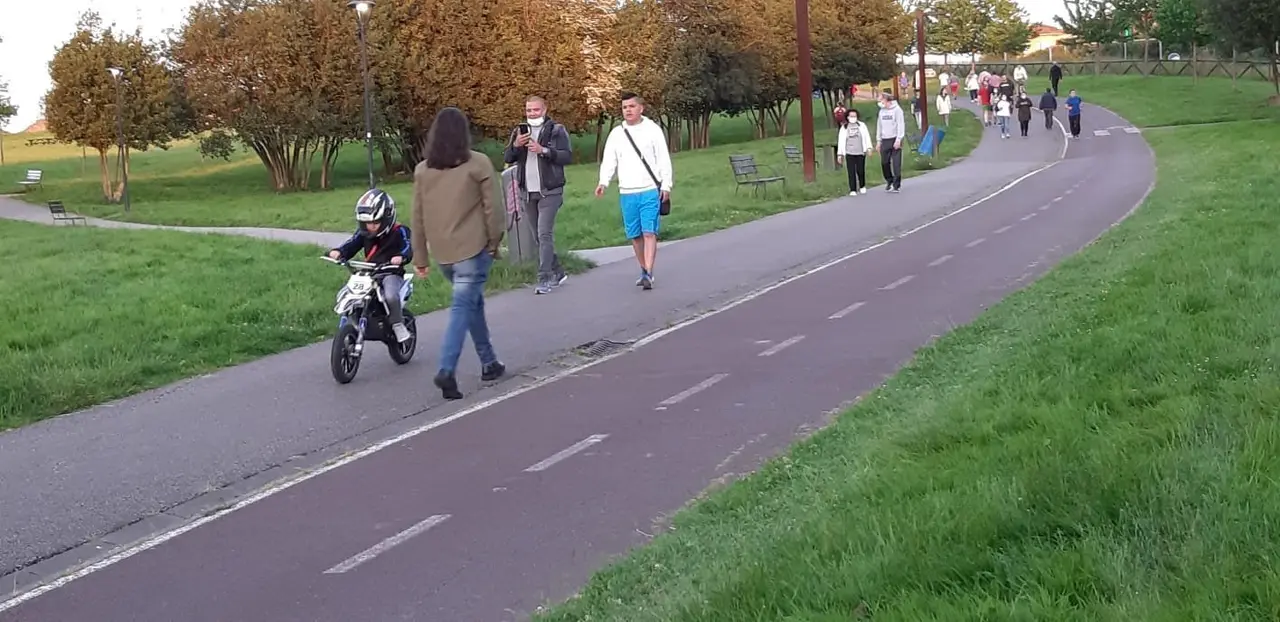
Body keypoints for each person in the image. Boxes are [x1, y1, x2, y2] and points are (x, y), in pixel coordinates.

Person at [411, 107, 506, 400]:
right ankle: (446, 369)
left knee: (471, 304)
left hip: (443, 254)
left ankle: (489, 363)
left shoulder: (423, 170)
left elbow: (418, 216)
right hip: (472, 248)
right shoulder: (478, 163)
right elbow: (494, 210)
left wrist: (421, 258)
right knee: (461, 309)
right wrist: (494, 243)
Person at [596, 92, 673, 290]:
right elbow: (609, 160)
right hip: (627, 191)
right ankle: (643, 269)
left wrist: (666, 185)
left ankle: (649, 271)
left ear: (641, 108)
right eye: (624, 107)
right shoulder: (617, 133)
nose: (628, 110)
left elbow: (663, 158)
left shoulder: (652, 130)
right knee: (635, 235)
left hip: (649, 189)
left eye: (631, 106)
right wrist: (603, 182)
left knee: (649, 232)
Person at [502, 95, 573, 295]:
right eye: (528, 110)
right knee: (538, 238)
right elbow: (508, 158)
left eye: (536, 110)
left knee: (544, 233)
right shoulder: (519, 131)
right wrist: (516, 145)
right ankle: (558, 270)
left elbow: (566, 156)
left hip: (550, 190)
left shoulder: (557, 130)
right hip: (527, 191)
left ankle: (544, 278)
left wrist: (544, 150)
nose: (532, 114)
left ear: (544, 109)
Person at [328, 189, 414, 344]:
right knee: (347, 292)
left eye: (375, 223)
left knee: (390, 296)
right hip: (368, 272)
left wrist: (401, 257)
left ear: (387, 218)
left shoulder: (400, 231)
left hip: (390, 273)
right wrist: (339, 252)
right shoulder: (364, 234)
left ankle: (397, 324)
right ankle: (351, 322)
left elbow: (408, 246)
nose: (371, 227)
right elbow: (352, 244)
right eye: (367, 223)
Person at [836, 107, 872, 196]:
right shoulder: (844, 128)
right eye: (851, 116)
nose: (853, 118)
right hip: (849, 152)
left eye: (854, 116)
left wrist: (869, 148)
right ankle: (853, 189)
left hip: (860, 152)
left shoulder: (862, 125)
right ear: (847, 117)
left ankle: (862, 186)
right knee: (851, 171)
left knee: (860, 170)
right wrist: (839, 154)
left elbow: (867, 137)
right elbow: (841, 141)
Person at [875, 90, 906, 193]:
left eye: (882, 99)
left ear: (887, 100)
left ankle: (896, 185)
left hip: (895, 138)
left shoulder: (897, 110)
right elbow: (879, 126)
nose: (880, 102)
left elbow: (900, 125)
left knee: (896, 163)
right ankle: (889, 180)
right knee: (884, 162)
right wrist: (878, 141)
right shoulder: (881, 111)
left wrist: (899, 139)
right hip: (885, 139)